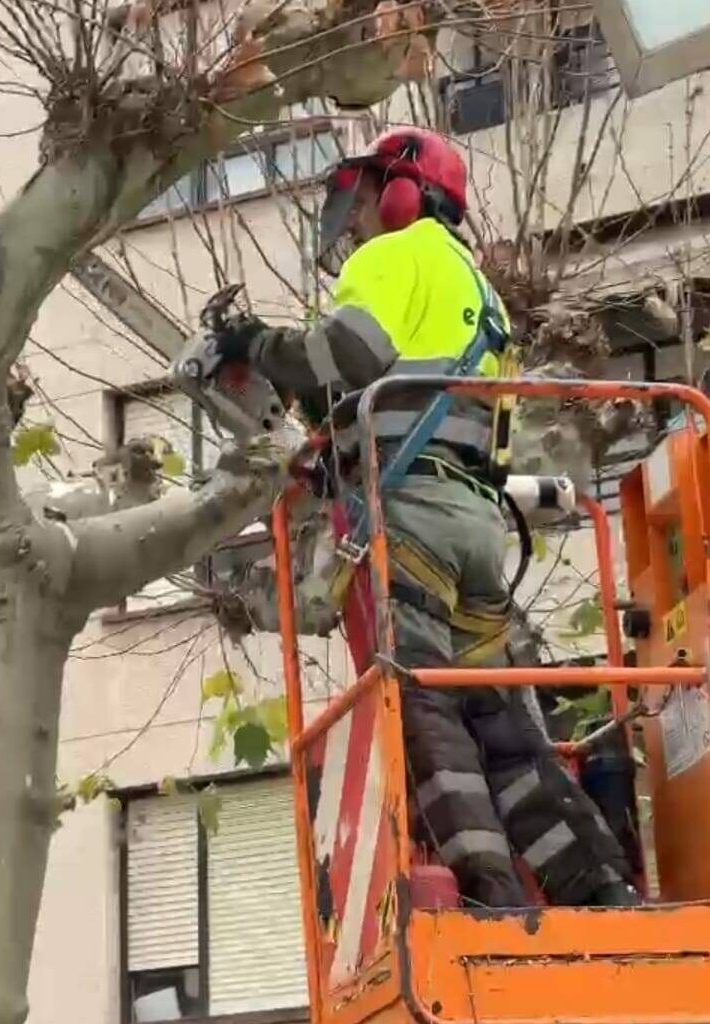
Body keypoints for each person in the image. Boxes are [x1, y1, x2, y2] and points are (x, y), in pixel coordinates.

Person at [213, 127, 640, 909]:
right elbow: (425, 393)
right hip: (478, 527)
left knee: (424, 709)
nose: (358, 217)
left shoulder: (391, 257)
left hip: (413, 521)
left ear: (404, 193)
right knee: (506, 730)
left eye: (369, 195)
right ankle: (600, 885)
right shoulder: (483, 293)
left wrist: (256, 344)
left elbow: (348, 354)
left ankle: (494, 897)